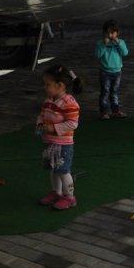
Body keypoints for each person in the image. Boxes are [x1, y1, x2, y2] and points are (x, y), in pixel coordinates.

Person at [36, 64, 83, 210]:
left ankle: (70, 197)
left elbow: (73, 123)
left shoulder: (69, 103)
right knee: (54, 169)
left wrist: (53, 128)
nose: (45, 87)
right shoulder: (49, 100)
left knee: (63, 170)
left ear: (60, 85)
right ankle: (56, 193)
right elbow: (42, 115)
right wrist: (39, 124)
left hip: (63, 144)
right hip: (50, 142)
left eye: (47, 84)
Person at [95, 19, 129, 120]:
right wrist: (104, 45)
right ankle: (104, 112)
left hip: (117, 71)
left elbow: (125, 53)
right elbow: (97, 55)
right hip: (105, 71)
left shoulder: (120, 42)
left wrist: (118, 43)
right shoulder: (100, 43)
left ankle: (115, 111)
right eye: (108, 32)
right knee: (105, 91)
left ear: (117, 33)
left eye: (113, 32)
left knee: (114, 91)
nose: (110, 35)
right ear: (104, 33)